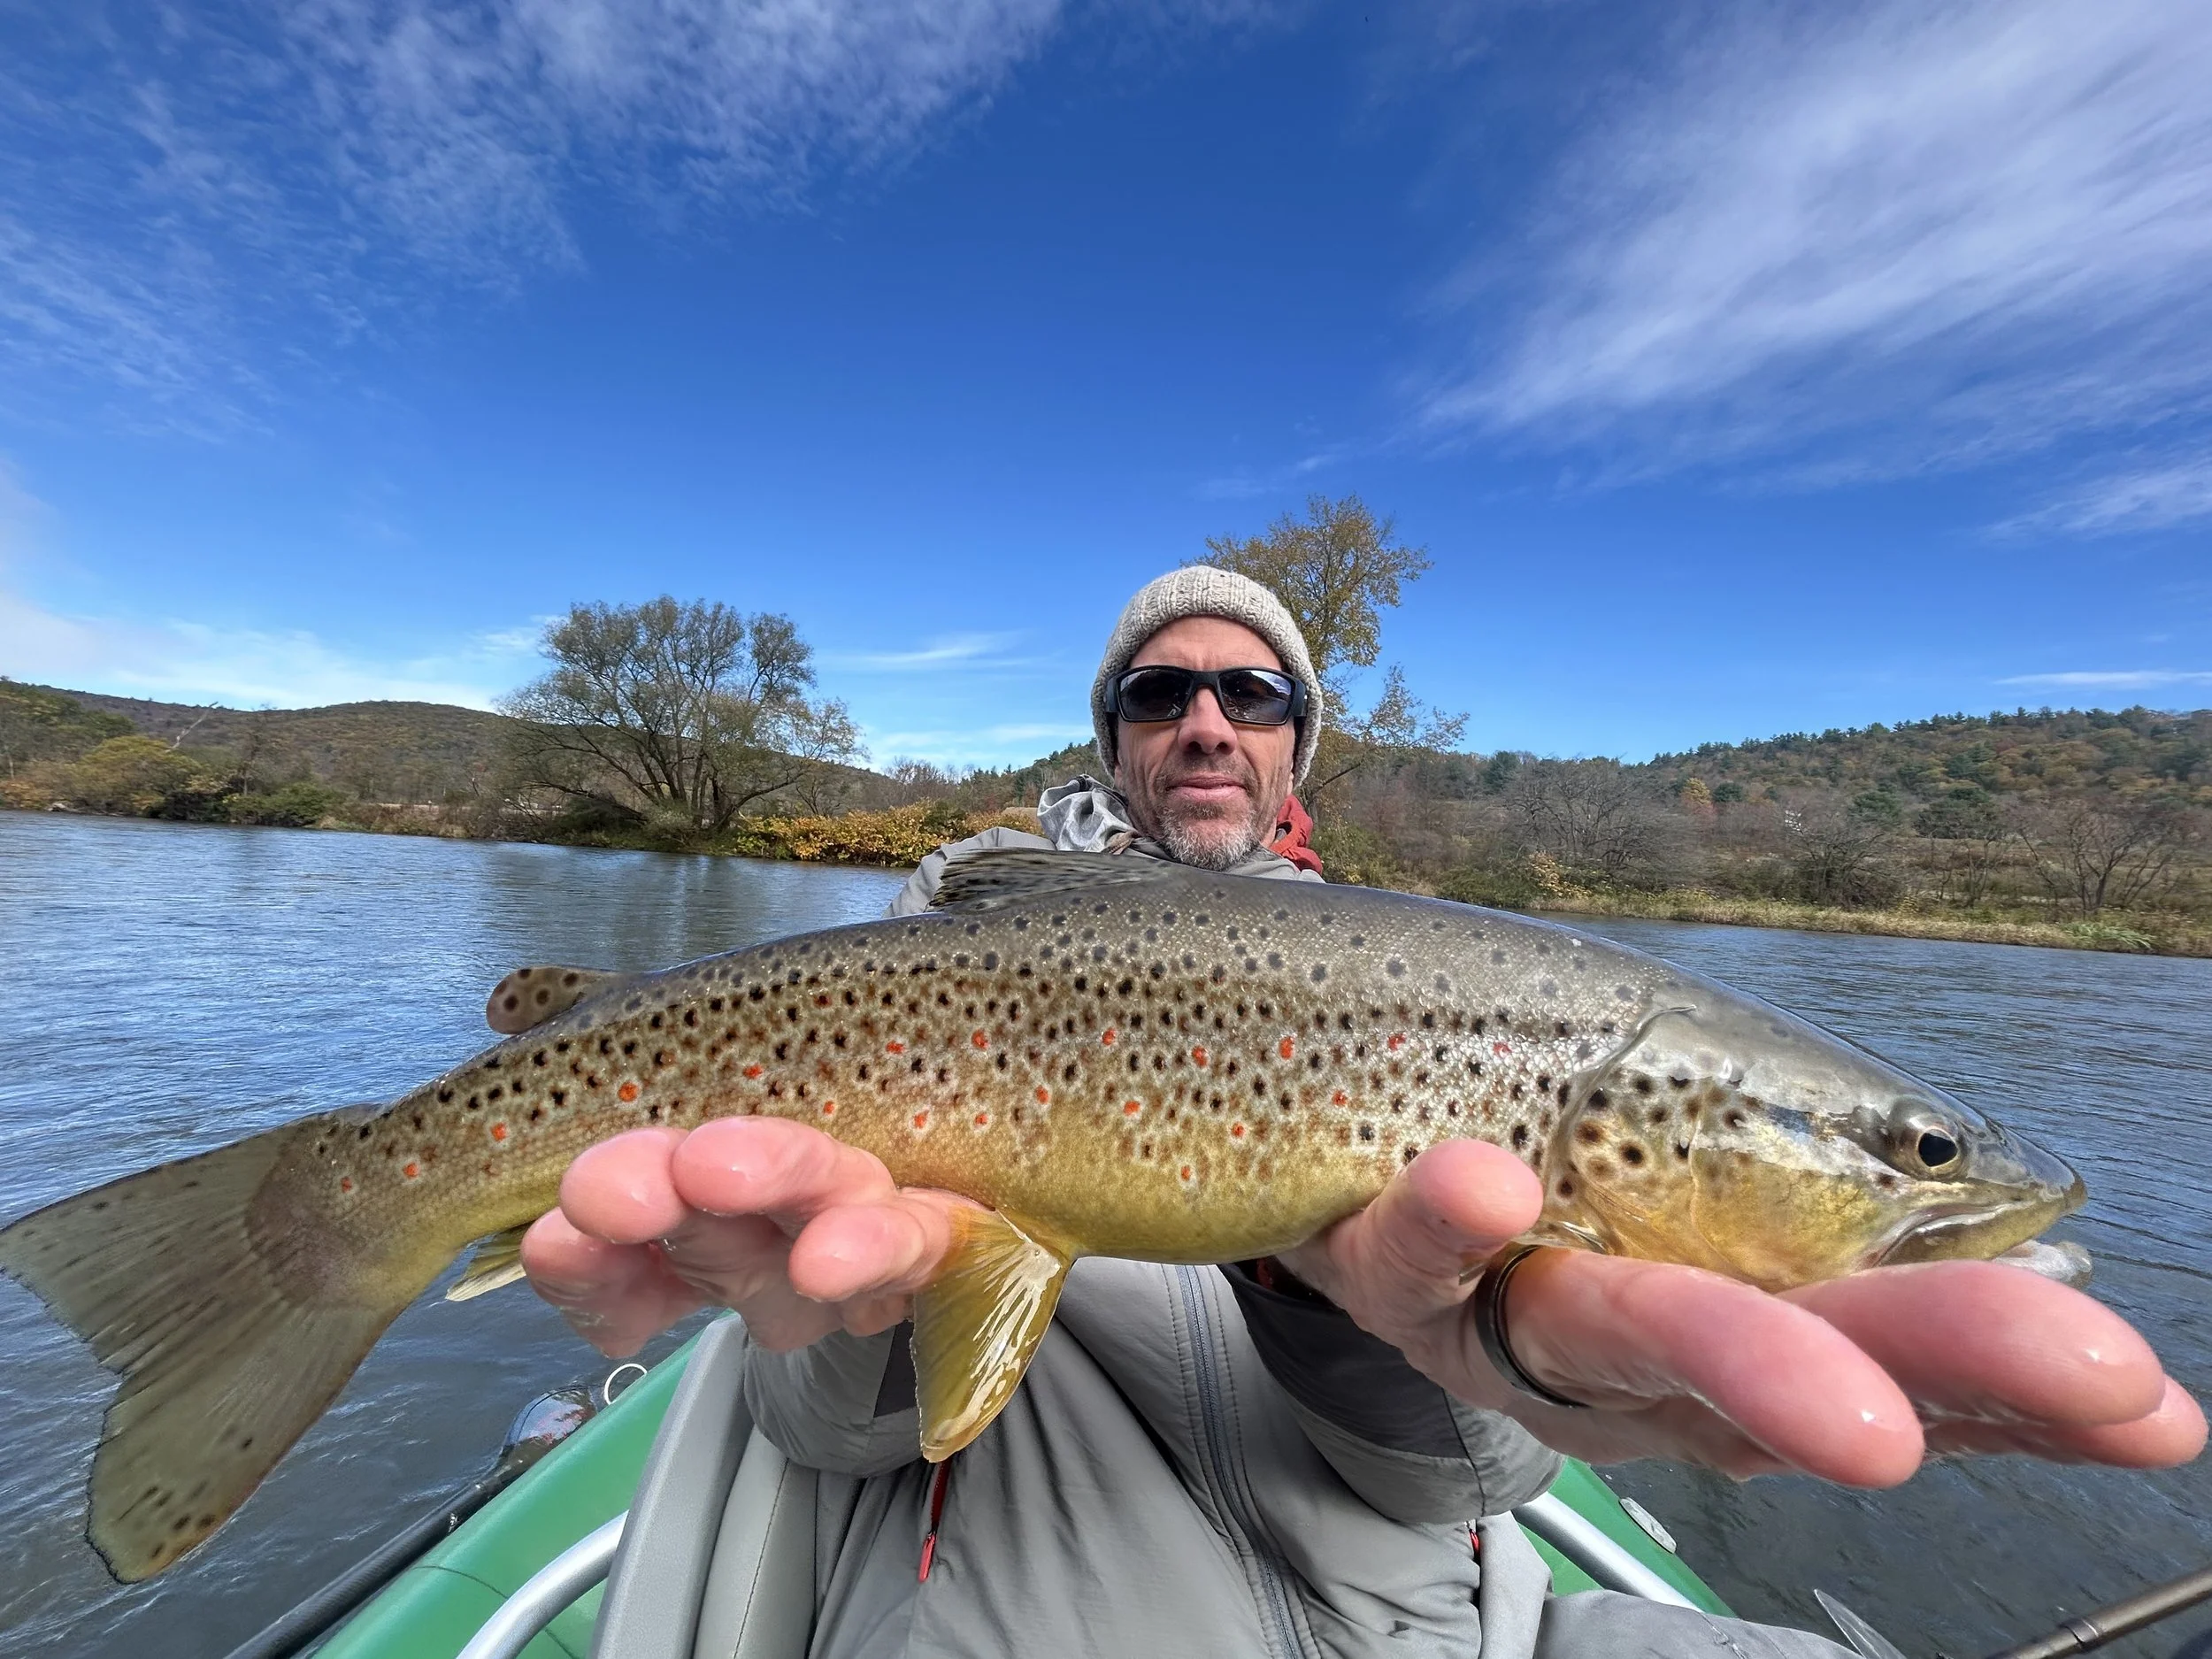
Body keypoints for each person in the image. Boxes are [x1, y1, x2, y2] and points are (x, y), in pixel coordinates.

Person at [521, 569, 2203, 1659]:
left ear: (1294, 750)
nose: (1205, 721)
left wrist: (1319, 1280)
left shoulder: (1447, 986)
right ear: (1110, 742)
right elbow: (829, 1439)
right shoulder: (927, 970)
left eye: (1252, 697)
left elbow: (1456, 1480)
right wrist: (852, 1309)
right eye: (1159, 692)